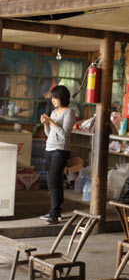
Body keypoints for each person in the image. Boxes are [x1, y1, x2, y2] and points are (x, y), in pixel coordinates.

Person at [40, 85, 77, 224]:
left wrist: (51, 122)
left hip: (60, 150)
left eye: (55, 98)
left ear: (62, 97)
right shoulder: (54, 112)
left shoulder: (69, 112)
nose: (53, 100)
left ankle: (54, 214)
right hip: (49, 148)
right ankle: (56, 211)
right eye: (52, 98)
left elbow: (64, 135)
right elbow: (50, 134)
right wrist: (46, 125)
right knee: (55, 181)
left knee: (52, 180)